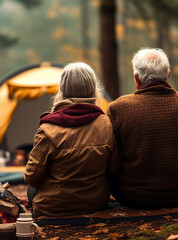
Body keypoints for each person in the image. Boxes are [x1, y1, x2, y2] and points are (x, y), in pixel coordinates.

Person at [107, 47, 178, 209]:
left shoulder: (118, 108)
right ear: (168, 74)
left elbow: (112, 163)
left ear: (136, 78)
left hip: (133, 198)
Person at [24, 62, 118, 217]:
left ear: (63, 90)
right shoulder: (106, 123)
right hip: (95, 204)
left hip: (53, 208)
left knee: (31, 188)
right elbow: (113, 168)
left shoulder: (48, 128)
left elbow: (32, 177)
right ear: (93, 88)